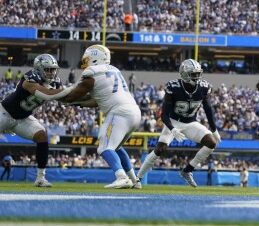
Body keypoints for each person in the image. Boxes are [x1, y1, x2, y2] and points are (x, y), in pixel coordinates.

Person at [36, 45, 142, 189]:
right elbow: (98, 100)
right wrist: (80, 104)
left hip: (119, 112)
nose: (85, 62)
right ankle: (135, 180)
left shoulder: (92, 72)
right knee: (115, 147)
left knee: (104, 147)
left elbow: (73, 95)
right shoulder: (114, 70)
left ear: (95, 57)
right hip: (134, 111)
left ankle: (121, 177)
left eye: (87, 58)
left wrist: (54, 95)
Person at [136, 59, 220, 187]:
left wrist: (214, 130)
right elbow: (164, 114)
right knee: (160, 149)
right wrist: (172, 129)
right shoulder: (173, 87)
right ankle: (138, 178)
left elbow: (208, 109)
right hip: (174, 121)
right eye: (193, 74)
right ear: (185, 74)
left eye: (198, 73)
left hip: (191, 122)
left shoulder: (203, 87)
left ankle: (187, 171)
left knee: (212, 142)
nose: (197, 77)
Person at [0, 54, 62, 187]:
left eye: (53, 69)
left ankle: (40, 178)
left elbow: (67, 99)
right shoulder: (31, 78)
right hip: (4, 113)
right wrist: (67, 91)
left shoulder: (56, 82)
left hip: (22, 118)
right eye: (48, 69)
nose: (52, 73)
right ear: (39, 68)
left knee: (42, 136)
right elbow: (43, 92)